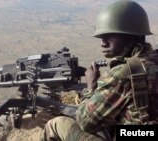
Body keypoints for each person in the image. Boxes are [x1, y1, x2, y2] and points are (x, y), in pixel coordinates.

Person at [41, 0, 158, 141]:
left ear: (131, 35)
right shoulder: (153, 60)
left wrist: (90, 87)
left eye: (110, 35)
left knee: (56, 124)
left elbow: (86, 122)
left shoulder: (123, 74)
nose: (103, 42)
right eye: (102, 37)